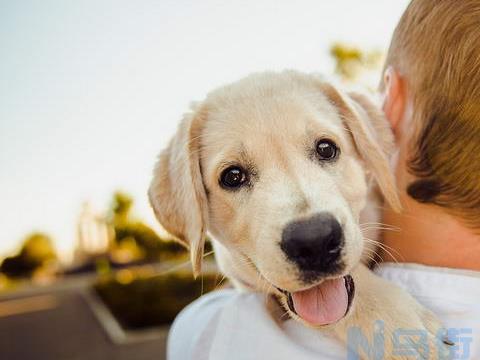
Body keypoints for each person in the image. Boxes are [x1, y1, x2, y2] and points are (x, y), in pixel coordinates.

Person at [167, 0, 480, 358]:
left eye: (325, 150)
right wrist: (360, 296)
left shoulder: (211, 336)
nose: (310, 229)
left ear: (379, 123)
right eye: (235, 177)